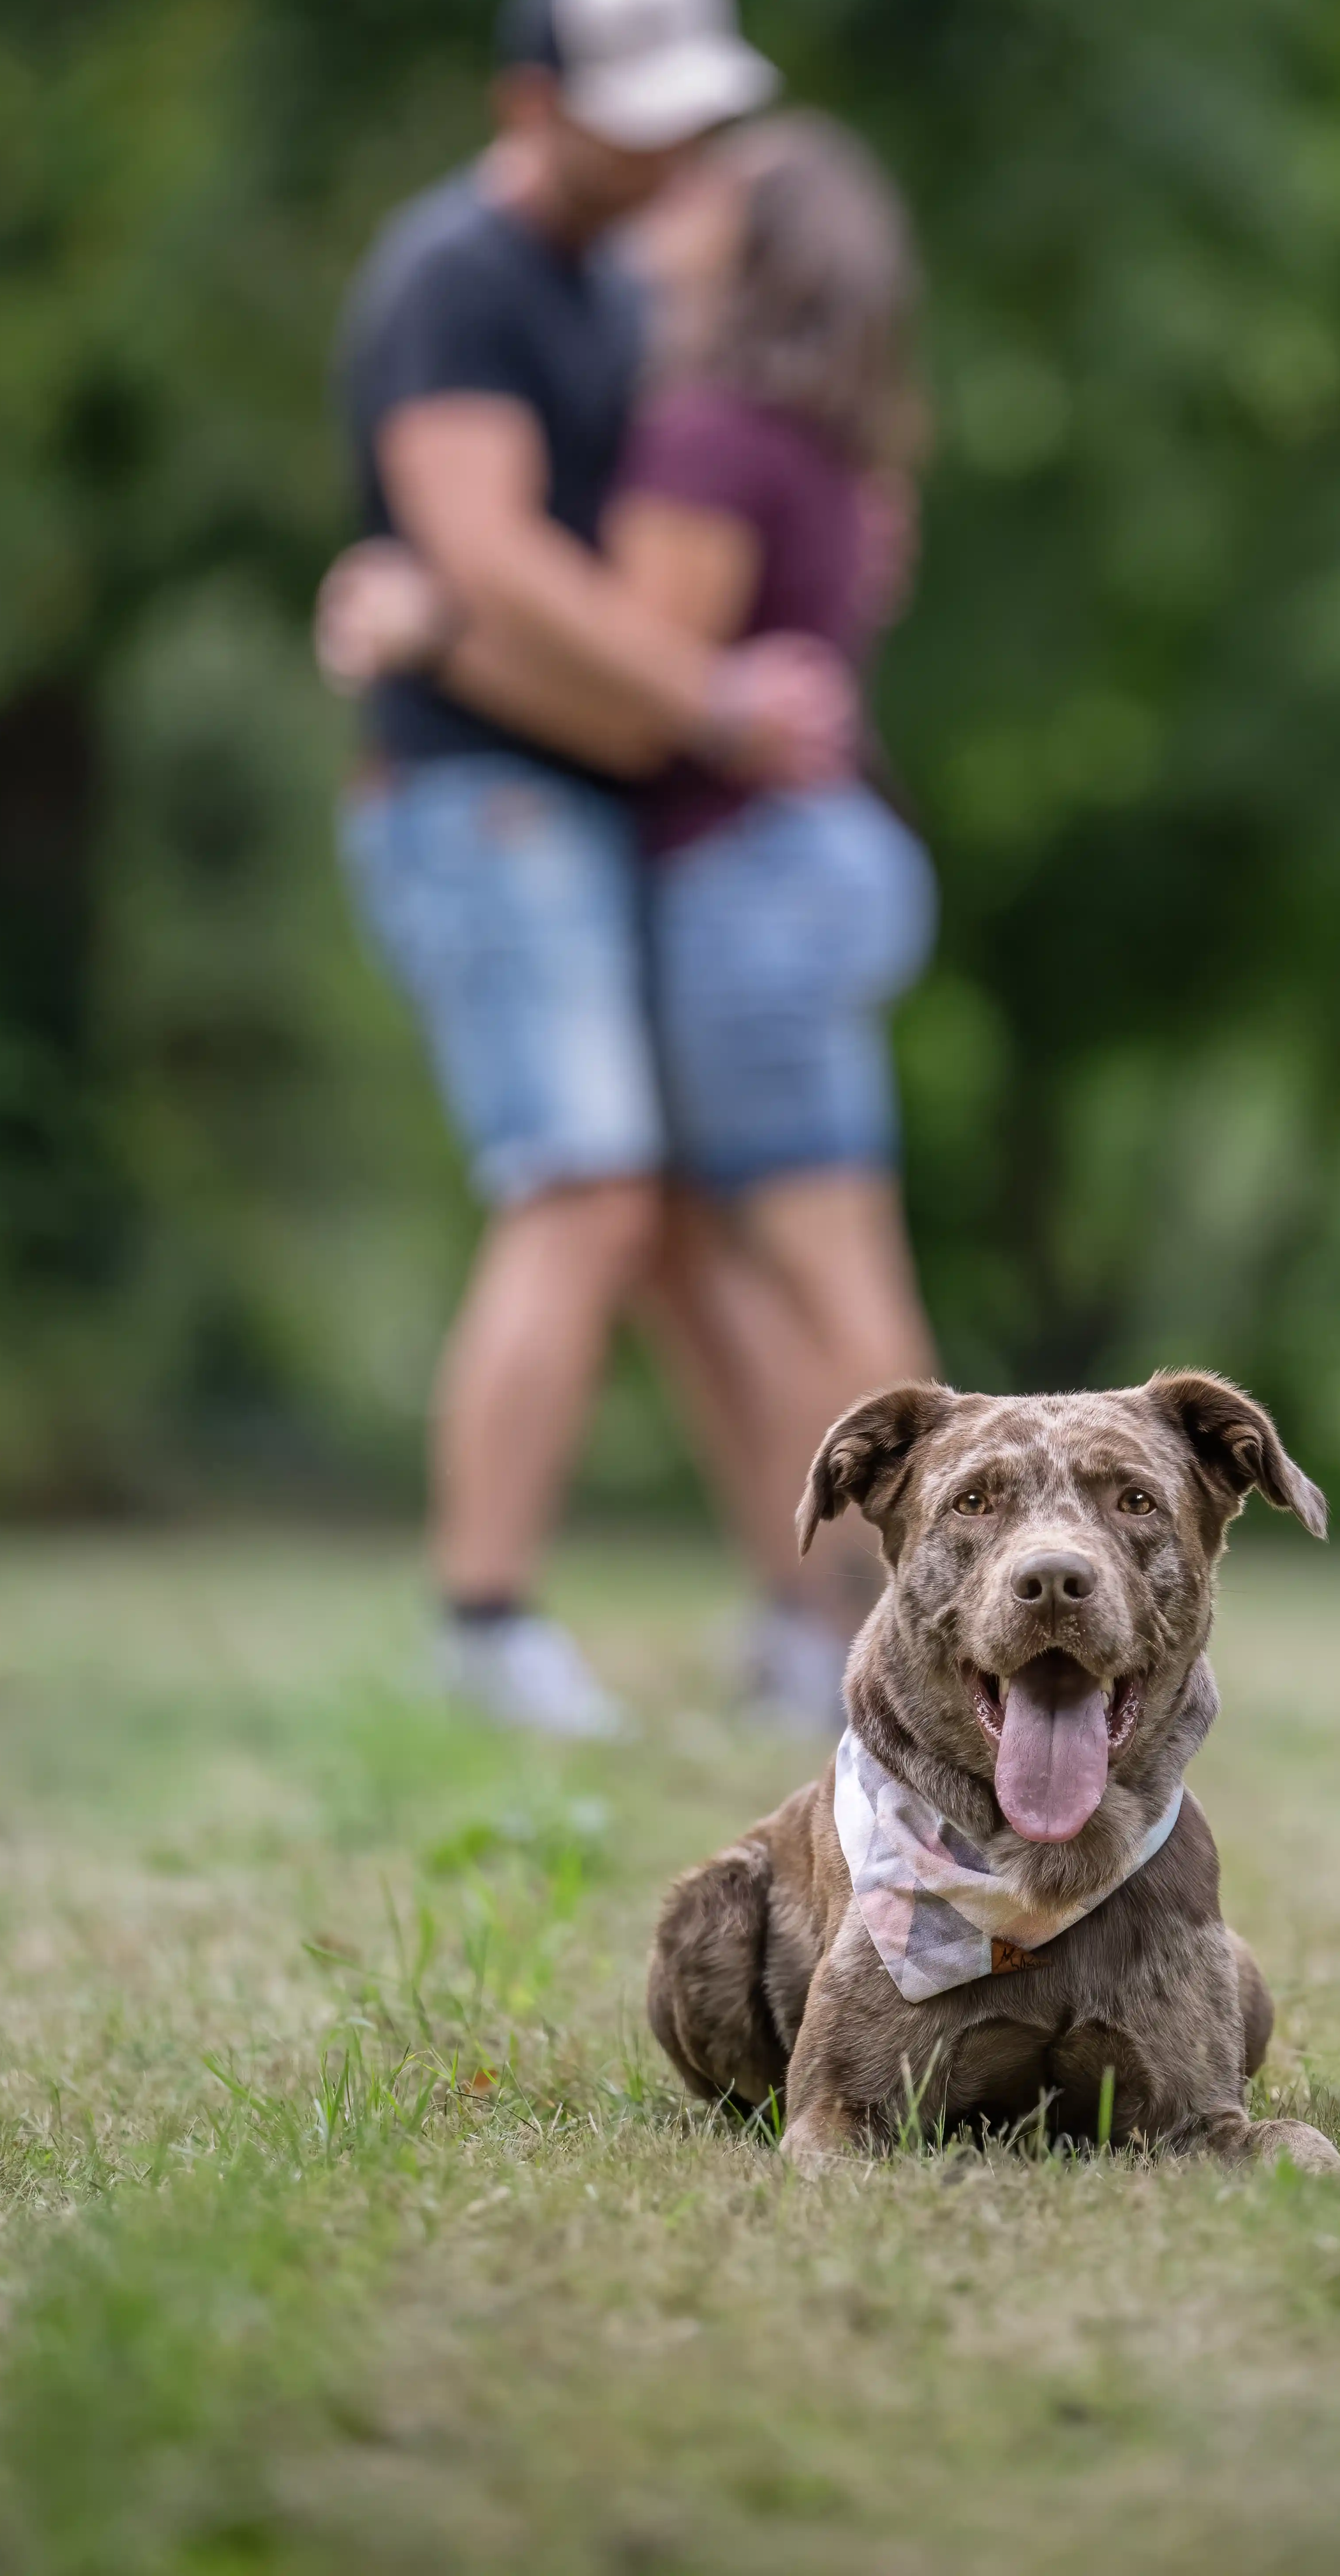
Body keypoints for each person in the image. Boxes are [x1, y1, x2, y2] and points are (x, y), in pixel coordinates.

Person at [325, 106, 942, 1732]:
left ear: (755, 248)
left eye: (717, 186)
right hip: (806, 862)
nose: (678, 188)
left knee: (812, 1261)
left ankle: (916, 1635)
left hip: (745, 872)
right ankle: (832, 1628)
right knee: (721, 1251)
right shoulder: (817, 432)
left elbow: (642, 712)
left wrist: (431, 623)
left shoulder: (701, 438)